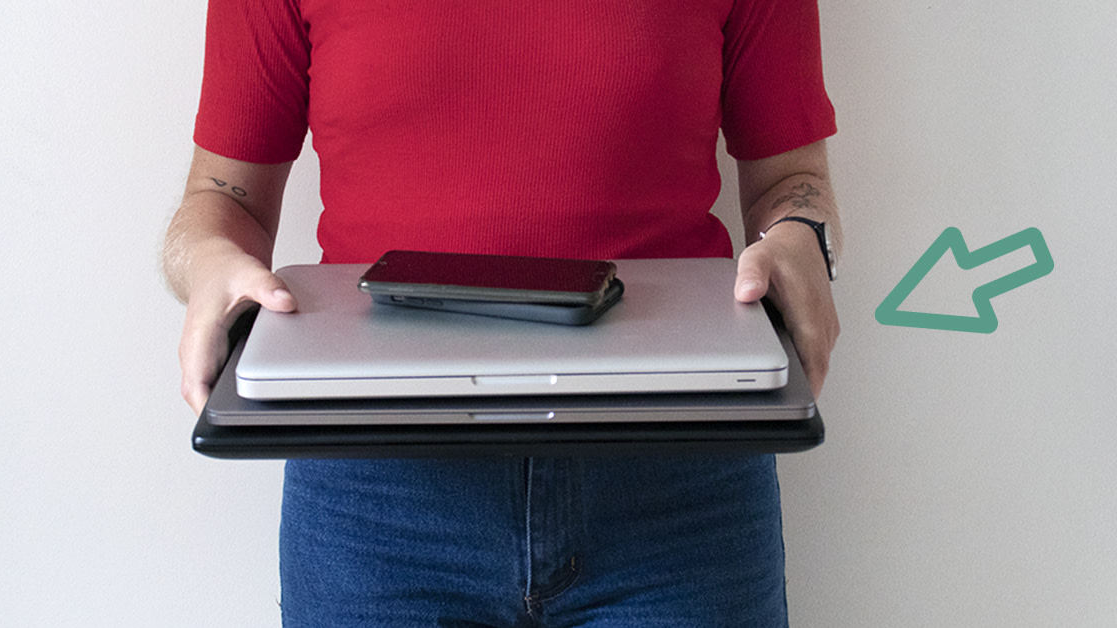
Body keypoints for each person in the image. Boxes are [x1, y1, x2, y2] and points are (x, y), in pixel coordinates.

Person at [163, 0, 842, 625]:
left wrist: (800, 239)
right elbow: (226, 199)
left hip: (679, 476)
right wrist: (206, 263)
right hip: (374, 489)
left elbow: (791, 179)